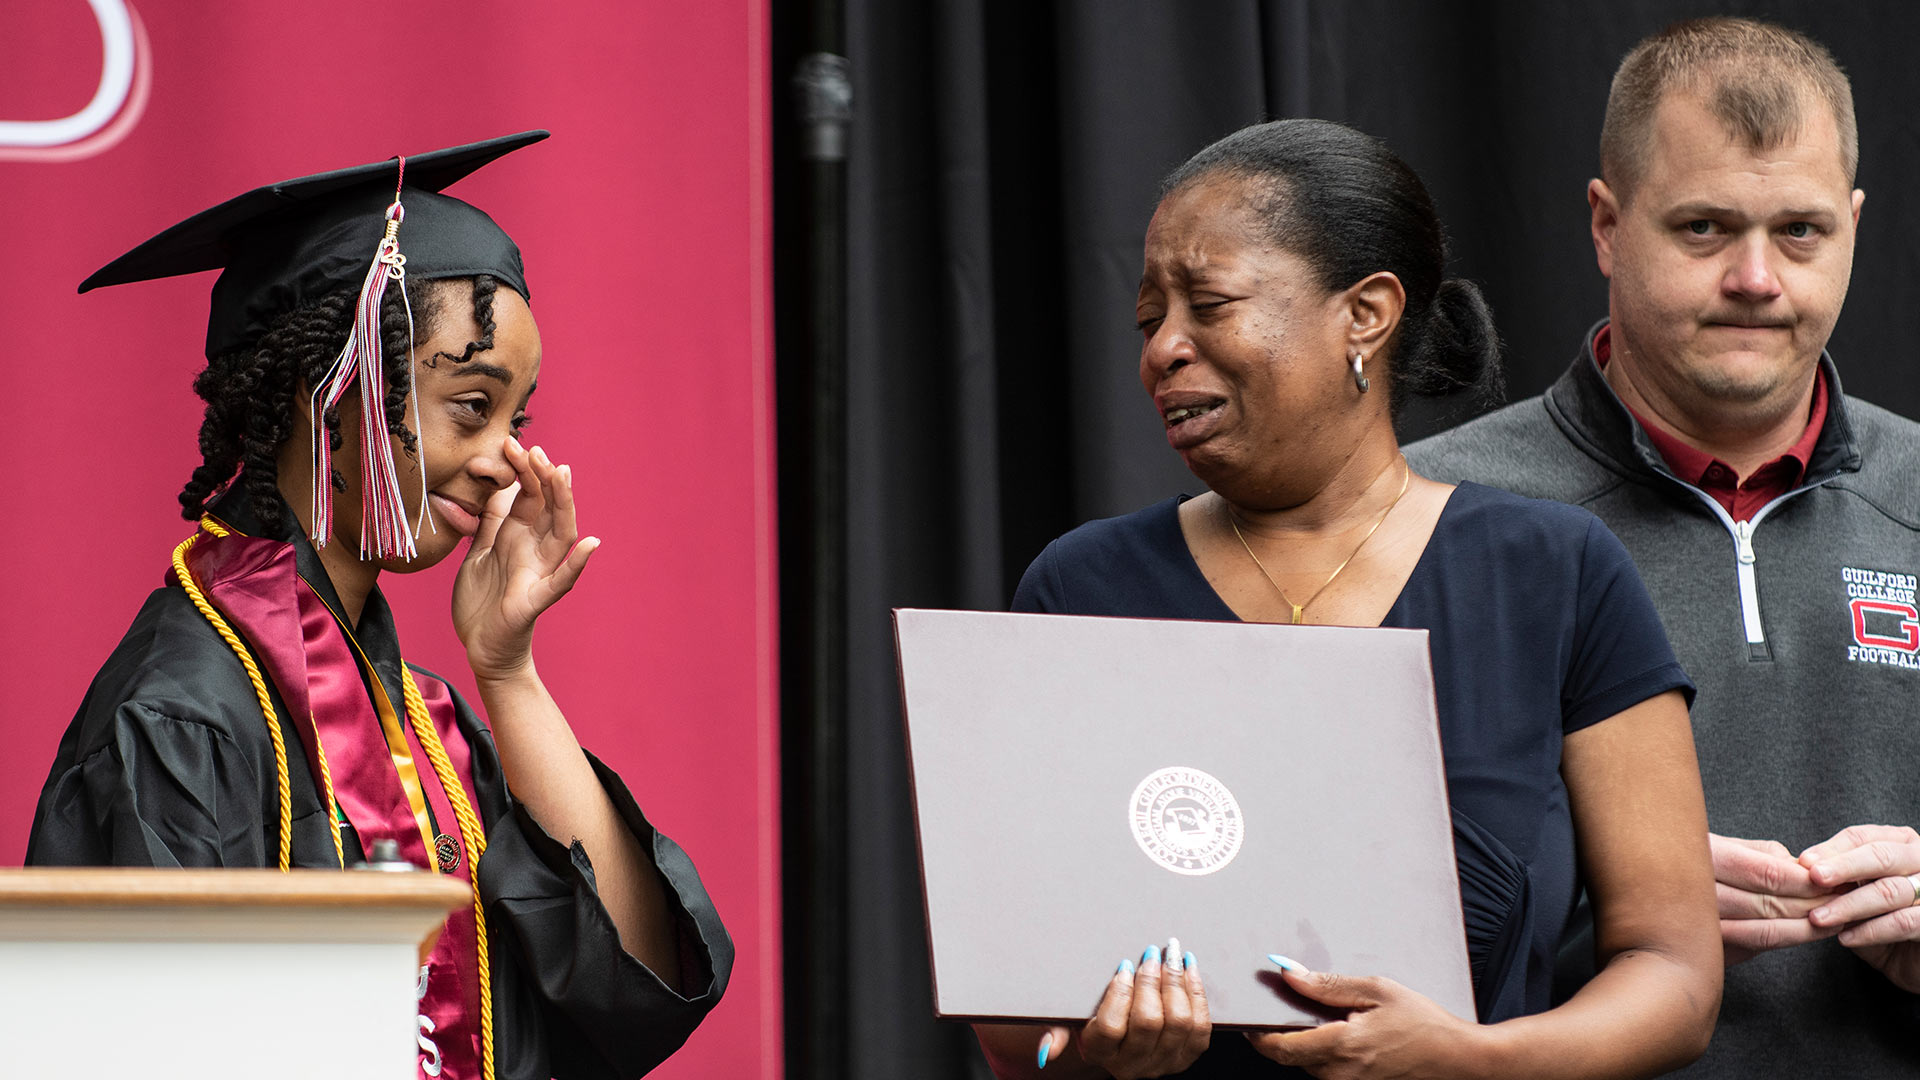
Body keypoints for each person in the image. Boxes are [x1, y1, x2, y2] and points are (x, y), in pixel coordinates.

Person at [971, 118, 1721, 1080]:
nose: (1164, 348)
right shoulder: (1081, 589)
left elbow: (1676, 975)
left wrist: (1472, 1060)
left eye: (1210, 304)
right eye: (1151, 318)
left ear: (1365, 313)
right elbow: (1009, 1023)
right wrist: (1099, 1060)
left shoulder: (1555, 572)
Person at [25, 132, 732, 1080]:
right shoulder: (187, 717)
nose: (502, 461)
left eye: (515, 420)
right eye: (469, 406)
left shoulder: (427, 724)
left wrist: (507, 671)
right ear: (338, 392)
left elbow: (635, 976)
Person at [1405, 18, 1920, 1076]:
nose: (1757, 277)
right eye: (1703, 229)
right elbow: (1339, 894)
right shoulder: (1431, 514)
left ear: (1855, 226)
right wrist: (1624, 896)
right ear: (1605, 223)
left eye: (1802, 232)